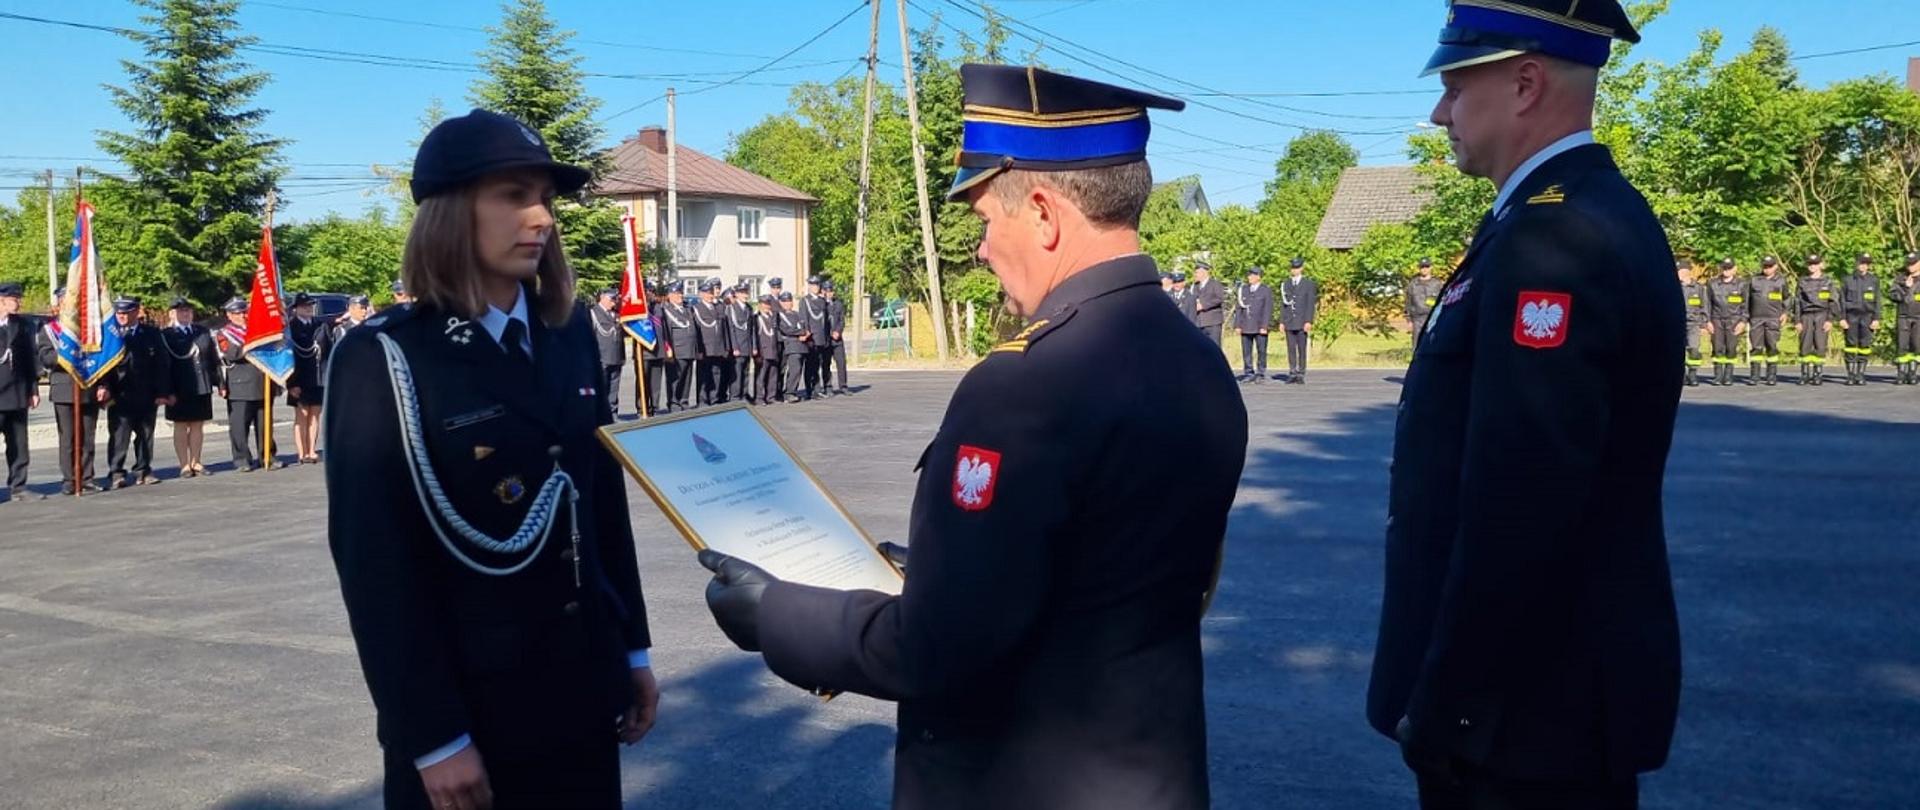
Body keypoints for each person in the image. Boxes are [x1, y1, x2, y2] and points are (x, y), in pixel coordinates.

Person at [699, 63, 1244, 810]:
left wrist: (777, 615)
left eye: (988, 220)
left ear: (1046, 214)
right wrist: (946, 564)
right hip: (1147, 773)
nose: (983, 249)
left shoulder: (1028, 383)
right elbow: (1103, 566)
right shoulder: (1196, 357)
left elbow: (940, 646)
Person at [1371, 4, 1683, 808]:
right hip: (1536, 710)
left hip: (1524, 721)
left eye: (1452, 87)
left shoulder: (1557, 237)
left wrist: (1453, 707)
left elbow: (1524, 498)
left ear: (1525, 82)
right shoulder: (1562, 214)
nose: (1440, 112)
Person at [324, 108, 656, 810]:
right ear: (450, 212)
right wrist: (433, 736)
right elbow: (375, 566)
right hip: (473, 715)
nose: (541, 218)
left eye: (545, 198)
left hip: (578, 695)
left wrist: (633, 650)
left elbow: (600, 507)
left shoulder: (566, 335)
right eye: (513, 195)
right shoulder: (386, 356)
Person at [38, 289, 112, 494]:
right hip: (63, 389)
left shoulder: (89, 331)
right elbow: (47, 359)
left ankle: (87, 478)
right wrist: (69, 354)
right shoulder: (50, 330)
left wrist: (103, 384)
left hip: (88, 387)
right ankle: (70, 480)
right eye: (66, 302)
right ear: (60, 305)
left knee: (87, 437)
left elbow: (101, 360)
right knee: (68, 438)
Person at [104, 298, 172, 489]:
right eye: (119, 313)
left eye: (126, 313)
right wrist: (104, 388)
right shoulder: (110, 334)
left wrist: (162, 392)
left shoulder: (151, 333)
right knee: (119, 436)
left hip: (146, 393)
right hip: (120, 394)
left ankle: (143, 469)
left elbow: (161, 364)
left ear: (136, 313)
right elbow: (102, 366)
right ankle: (116, 472)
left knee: (145, 435)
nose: (122, 317)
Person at [162, 297, 221, 478]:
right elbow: (163, 366)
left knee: (197, 424)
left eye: (188, 311)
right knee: (180, 425)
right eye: (181, 311)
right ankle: (184, 465)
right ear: (172, 314)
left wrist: (220, 382)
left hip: (201, 384)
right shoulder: (166, 335)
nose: (185, 314)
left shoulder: (202, 332)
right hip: (178, 386)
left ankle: (196, 461)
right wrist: (167, 390)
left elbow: (213, 359)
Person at [218, 300, 278, 471]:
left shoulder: (258, 330)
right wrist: (253, 343)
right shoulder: (225, 333)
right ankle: (242, 459)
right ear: (229, 315)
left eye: (245, 312)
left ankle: (268, 456)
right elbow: (232, 353)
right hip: (240, 384)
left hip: (262, 381)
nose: (242, 316)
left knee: (265, 424)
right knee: (239, 426)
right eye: (237, 313)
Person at [0, 283, 38, 501]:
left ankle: (18, 486)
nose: (19, 302)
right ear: (2, 301)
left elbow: (29, 359)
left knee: (18, 445)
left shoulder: (21, 325)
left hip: (16, 392)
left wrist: (33, 389)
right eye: (15, 299)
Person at [286, 293, 332, 463]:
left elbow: (328, 352)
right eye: (304, 305)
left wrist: (328, 377)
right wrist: (291, 383)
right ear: (296, 308)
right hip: (299, 378)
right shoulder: (290, 327)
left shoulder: (320, 326)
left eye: (310, 305)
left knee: (315, 415)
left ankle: (312, 450)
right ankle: (302, 452)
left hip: (317, 377)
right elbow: (287, 358)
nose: (308, 308)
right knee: (301, 415)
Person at [1794, 254, 1838, 385]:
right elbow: (1797, 302)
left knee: (1820, 345)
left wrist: (1830, 319)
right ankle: (1804, 374)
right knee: (1804, 345)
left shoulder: (1828, 281)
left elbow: (1833, 301)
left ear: (1821, 265)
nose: (1812, 266)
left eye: (1815, 263)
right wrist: (1797, 320)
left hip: (1822, 314)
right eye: (1810, 264)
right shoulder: (1802, 281)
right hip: (1806, 315)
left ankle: (1818, 374)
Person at [1840, 253, 1882, 386]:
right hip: (1851, 316)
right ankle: (1851, 375)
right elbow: (1841, 300)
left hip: (1867, 317)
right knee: (1850, 346)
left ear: (1868, 265)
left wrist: (1876, 318)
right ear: (1856, 264)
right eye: (1861, 263)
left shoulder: (1874, 280)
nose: (1863, 266)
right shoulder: (1847, 280)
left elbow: (1877, 301)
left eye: (1866, 263)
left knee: (1864, 345)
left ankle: (1860, 374)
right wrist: (1841, 318)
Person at [1747, 256, 1790, 386]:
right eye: (1765, 266)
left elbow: (1787, 298)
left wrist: (1785, 313)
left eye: (1770, 266)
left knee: (1772, 347)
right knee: (1756, 347)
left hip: (1773, 318)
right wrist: (1745, 317)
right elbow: (1747, 299)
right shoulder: (1754, 280)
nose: (1767, 269)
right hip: (1756, 318)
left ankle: (1771, 375)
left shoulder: (1781, 281)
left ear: (1776, 266)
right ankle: (1754, 375)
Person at [1707, 258, 1749, 386]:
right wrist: (1707, 321)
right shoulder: (1712, 283)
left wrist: (1743, 321)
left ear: (1735, 269)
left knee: (1731, 348)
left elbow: (1745, 305)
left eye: (1729, 268)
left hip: (1734, 320)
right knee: (1717, 347)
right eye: (1724, 268)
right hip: (1717, 319)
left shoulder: (1742, 284)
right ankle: (1718, 376)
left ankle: (1729, 375)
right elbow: (1707, 303)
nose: (1726, 270)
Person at [659, 281, 696, 411]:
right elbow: (665, 332)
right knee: (675, 378)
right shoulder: (666, 310)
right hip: (677, 349)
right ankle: (673, 402)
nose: (680, 296)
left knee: (687, 378)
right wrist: (668, 350)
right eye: (677, 293)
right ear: (670, 295)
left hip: (689, 349)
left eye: (681, 293)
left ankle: (684, 401)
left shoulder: (687, 309)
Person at [588, 287, 625, 416]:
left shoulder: (616, 315)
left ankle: (613, 414)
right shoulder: (593, 313)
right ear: (603, 298)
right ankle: (600, 415)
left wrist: (622, 356)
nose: (614, 302)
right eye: (612, 299)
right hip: (601, 358)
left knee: (614, 389)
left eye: (615, 299)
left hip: (616, 357)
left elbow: (620, 336)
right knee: (601, 388)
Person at [1233, 266, 1273, 383]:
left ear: (1258, 277)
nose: (1249, 277)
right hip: (1246, 325)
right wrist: (1237, 325)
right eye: (1249, 275)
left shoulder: (1265, 290)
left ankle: (1260, 373)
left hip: (1259, 325)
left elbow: (1267, 309)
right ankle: (1249, 372)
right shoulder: (1244, 289)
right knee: (1246, 351)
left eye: (1252, 275)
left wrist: (1264, 326)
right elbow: (1239, 308)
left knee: (1261, 350)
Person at [692, 278, 728, 406]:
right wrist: (697, 349)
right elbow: (695, 331)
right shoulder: (696, 308)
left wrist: (725, 346)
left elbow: (723, 329)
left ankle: (714, 398)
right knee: (703, 375)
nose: (710, 295)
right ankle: (702, 400)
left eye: (711, 292)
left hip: (717, 346)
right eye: (707, 293)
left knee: (716, 373)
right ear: (701, 294)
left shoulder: (717, 307)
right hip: (705, 347)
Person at [1678, 260, 1710, 387]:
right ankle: (1681, 376)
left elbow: (1704, 306)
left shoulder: (1698, 288)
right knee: (1679, 351)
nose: (1678, 273)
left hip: (1694, 323)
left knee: (1694, 349)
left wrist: (1704, 324)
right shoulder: (1673, 286)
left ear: (1687, 272)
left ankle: (1693, 374)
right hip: (1678, 324)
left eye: (1680, 270)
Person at [1405, 257, 1445, 353]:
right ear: (1419, 268)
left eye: (1427, 266)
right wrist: (1409, 320)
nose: (1424, 269)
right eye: (1422, 267)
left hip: (1434, 318)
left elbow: (1443, 301)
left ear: (1431, 267)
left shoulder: (1437, 284)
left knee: (1434, 343)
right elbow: (1408, 302)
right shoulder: (1413, 284)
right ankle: (1417, 365)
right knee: (1417, 346)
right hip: (1417, 319)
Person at [776, 291, 809, 403]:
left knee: (797, 370)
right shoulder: (779, 315)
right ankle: (786, 393)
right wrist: (801, 333)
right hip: (788, 345)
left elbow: (804, 326)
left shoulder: (797, 315)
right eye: (784, 301)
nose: (787, 303)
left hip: (800, 346)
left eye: (789, 301)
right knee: (788, 370)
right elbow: (786, 329)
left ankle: (790, 391)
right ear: (780, 302)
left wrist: (804, 333)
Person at [724, 283, 755, 403]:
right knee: (736, 373)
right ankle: (735, 396)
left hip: (747, 345)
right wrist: (734, 347)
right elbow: (731, 329)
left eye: (746, 292)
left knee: (746, 372)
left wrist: (754, 346)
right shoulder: (731, 308)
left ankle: (744, 394)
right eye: (742, 292)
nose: (745, 295)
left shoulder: (748, 308)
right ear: (736, 294)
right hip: (737, 346)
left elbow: (752, 329)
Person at [802, 275, 832, 399]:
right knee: (810, 365)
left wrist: (825, 338)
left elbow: (825, 321)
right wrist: (806, 333)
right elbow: (804, 319)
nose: (815, 287)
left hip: (821, 338)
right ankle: (809, 390)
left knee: (818, 364)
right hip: (811, 338)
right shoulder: (805, 301)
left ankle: (816, 389)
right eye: (813, 285)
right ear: (809, 286)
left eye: (817, 285)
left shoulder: (822, 301)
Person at [1894, 251, 1920, 385]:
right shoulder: (1901, 278)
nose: (1910, 266)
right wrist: (1906, 288)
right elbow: (1894, 295)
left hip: (1918, 317)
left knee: (1917, 346)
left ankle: (1913, 373)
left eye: (1913, 263)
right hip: (1903, 316)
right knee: (1902, 345)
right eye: (1909, 264)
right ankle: (1901, 374)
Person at [822, 280, 850, 396]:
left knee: (841, 362)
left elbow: (841, 320)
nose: (829, 293)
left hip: (837, 339)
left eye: (831, 291)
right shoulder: (821, 304)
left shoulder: (838, 303)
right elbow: (821, 323)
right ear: (823, 291)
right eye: (827, 291)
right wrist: (830, 333)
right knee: (826, 364)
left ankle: (843, 386)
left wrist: (838, 331)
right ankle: (828, 387)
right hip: (826, 339)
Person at [753, 294, 782, 405]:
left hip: (773, 350)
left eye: (768, 304)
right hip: (763, 351)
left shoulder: (773, 318)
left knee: (772, 375)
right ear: (760, 305)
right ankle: (759, 398)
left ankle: (771, 397)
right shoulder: (756, 318)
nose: (767, 307)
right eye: (764, 304)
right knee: (761, 376)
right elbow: (754, 335)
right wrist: (756, 349)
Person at [1190, 261, 1224, 345]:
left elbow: (1219, 298)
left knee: (1215, 347)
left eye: (1197, 272)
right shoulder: (1195, 286)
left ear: (1204, 272)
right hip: (1199, 323)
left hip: (1213, 322)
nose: (1195, 275)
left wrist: (1203, 305)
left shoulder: (1215, 284)